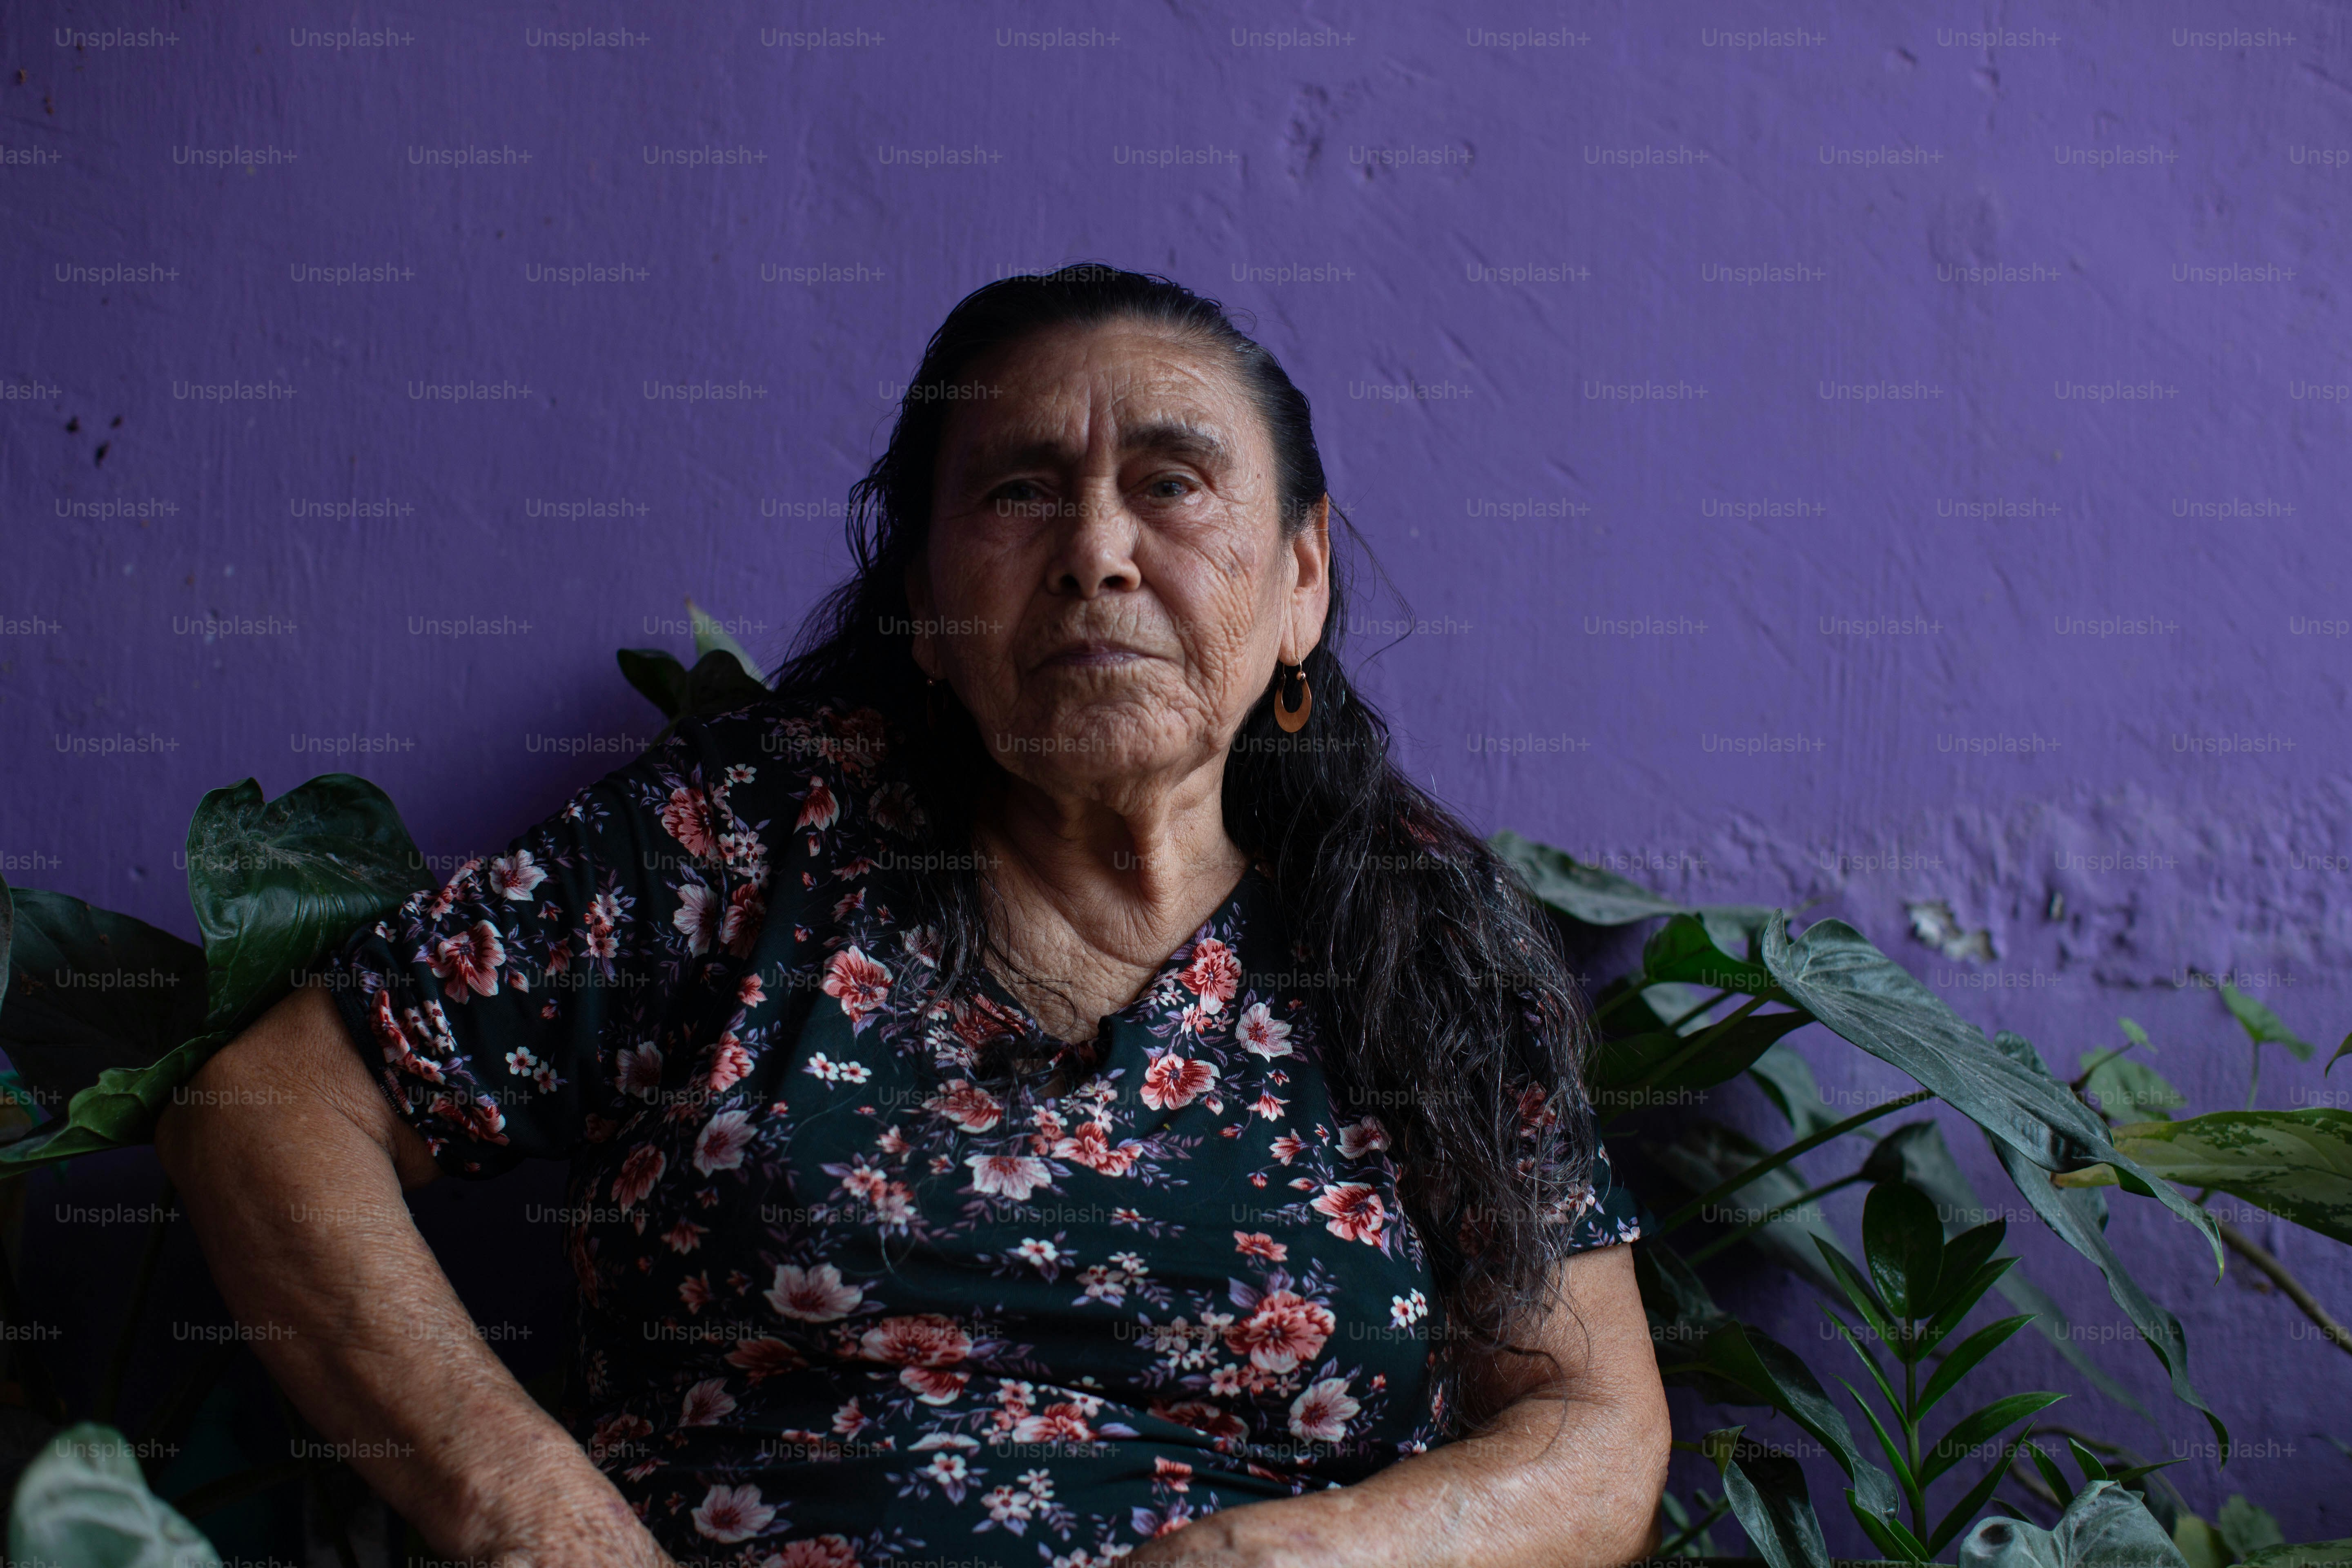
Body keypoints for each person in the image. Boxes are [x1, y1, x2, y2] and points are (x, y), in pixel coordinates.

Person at [157, 265, 1669, 1568]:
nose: (1096, 549)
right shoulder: (743, 840)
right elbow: (274, 1105)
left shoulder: (1406, 935)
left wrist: (1307, 1550)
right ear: (928, 610)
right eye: (1018, 492)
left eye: (1171, 482)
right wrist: (537, 1510)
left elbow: (1593, 1428)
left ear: (1301, 586)